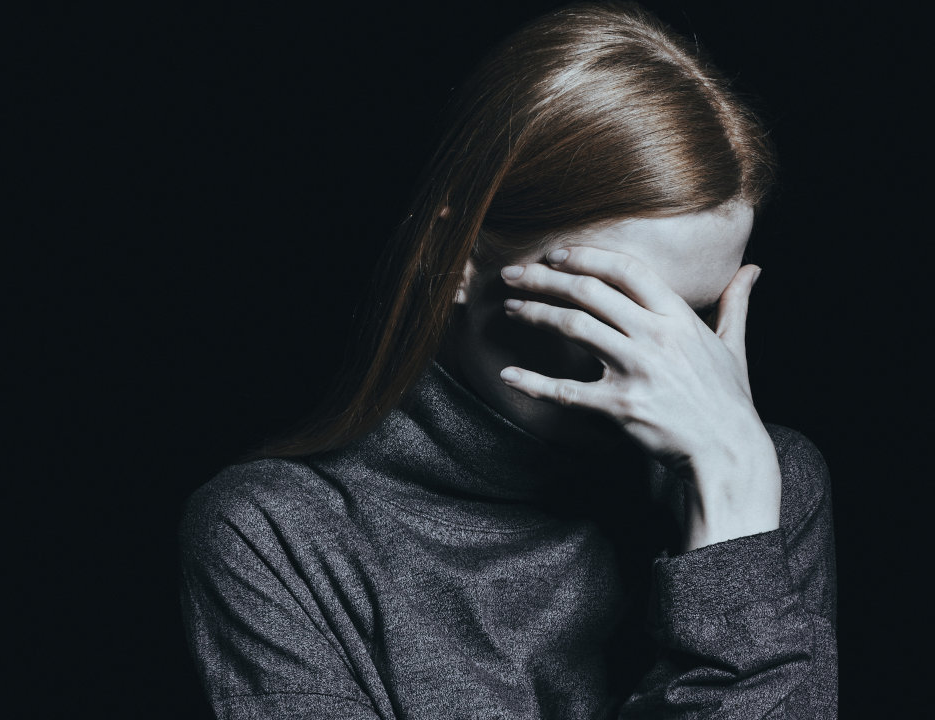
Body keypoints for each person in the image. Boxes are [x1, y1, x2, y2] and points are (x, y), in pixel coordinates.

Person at [178, 2, 837, 717]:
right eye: (619, 305)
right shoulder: (278, 535)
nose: (665, 362)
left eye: (697, 317)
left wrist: (735, 526)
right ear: (452, 257)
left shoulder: (759, 483)